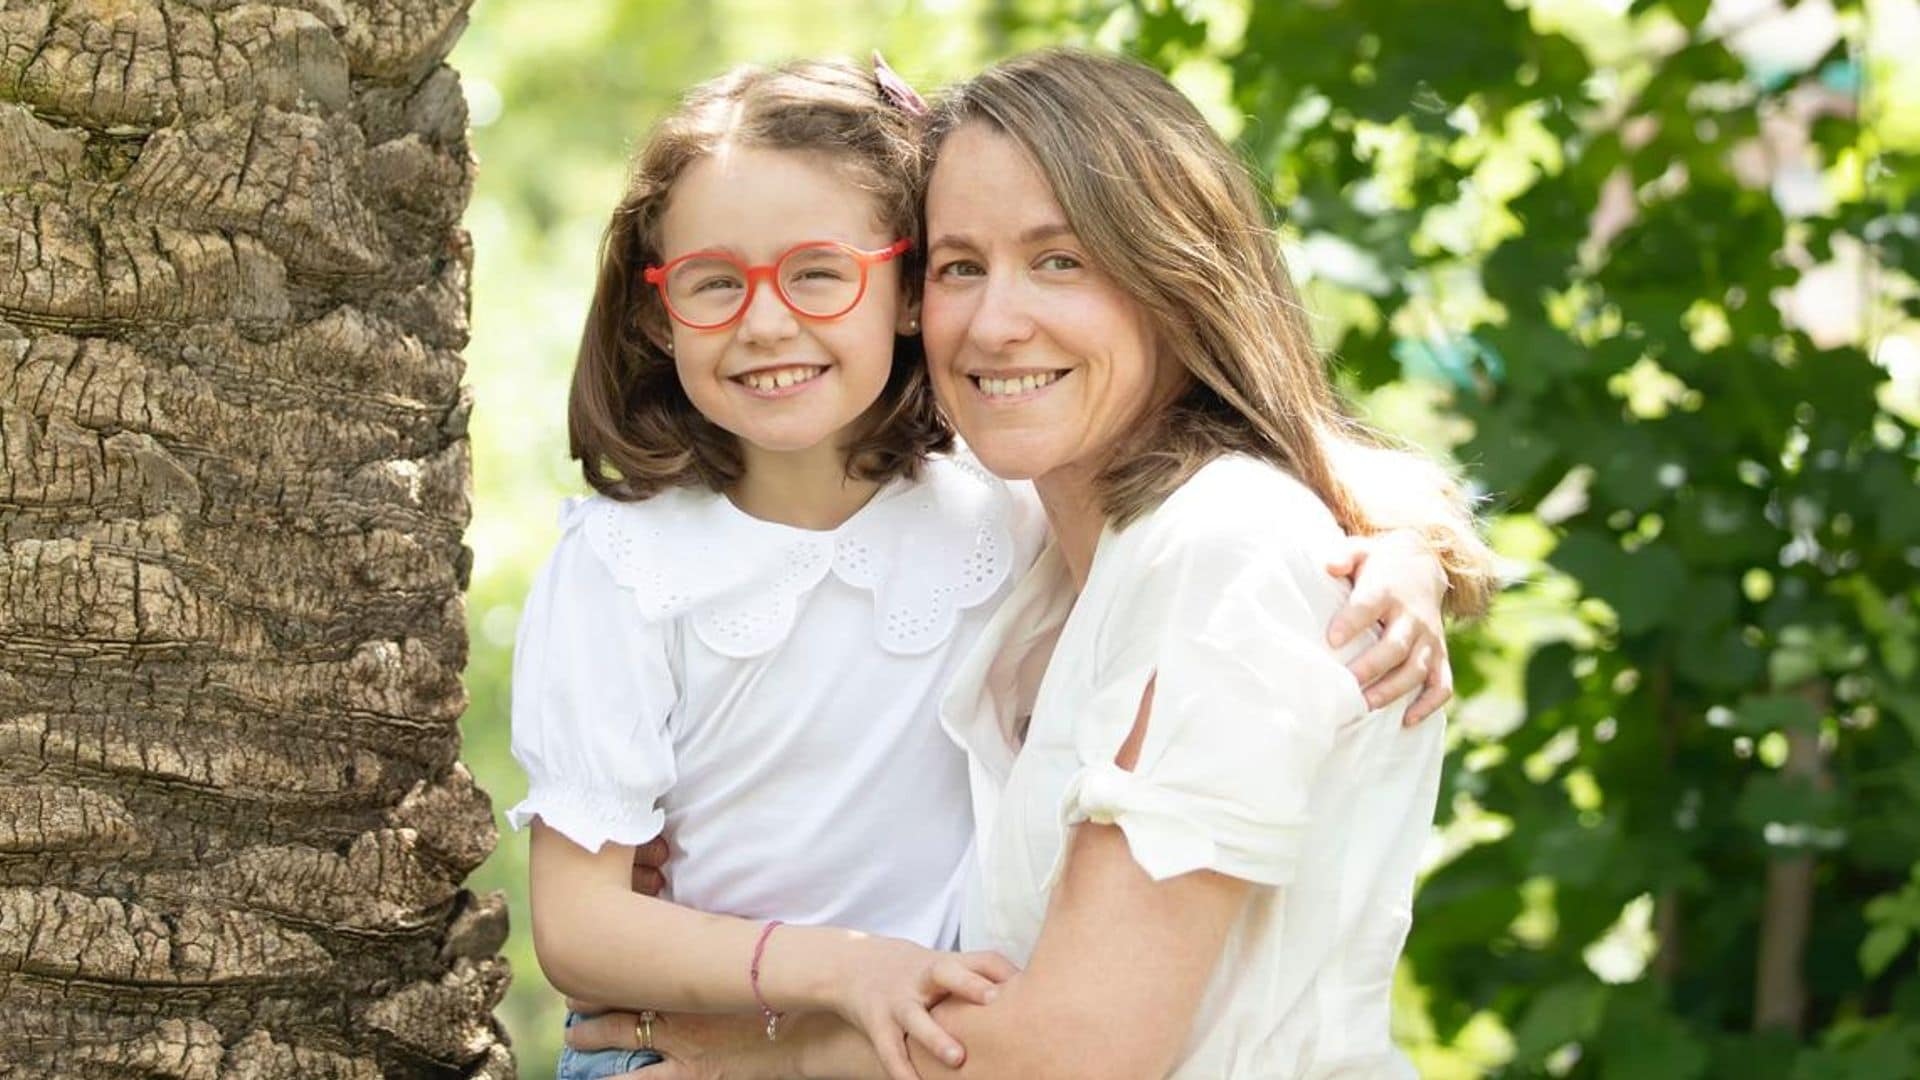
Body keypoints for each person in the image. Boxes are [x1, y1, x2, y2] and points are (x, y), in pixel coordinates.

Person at [515, 56, 1483, 1080]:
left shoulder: (1147, 539)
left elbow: (1078, 1048)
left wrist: (1409, 549)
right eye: (961, 266)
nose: (994, 321)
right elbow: (582, 917)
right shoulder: (1055, 542)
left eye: (1060, 260)